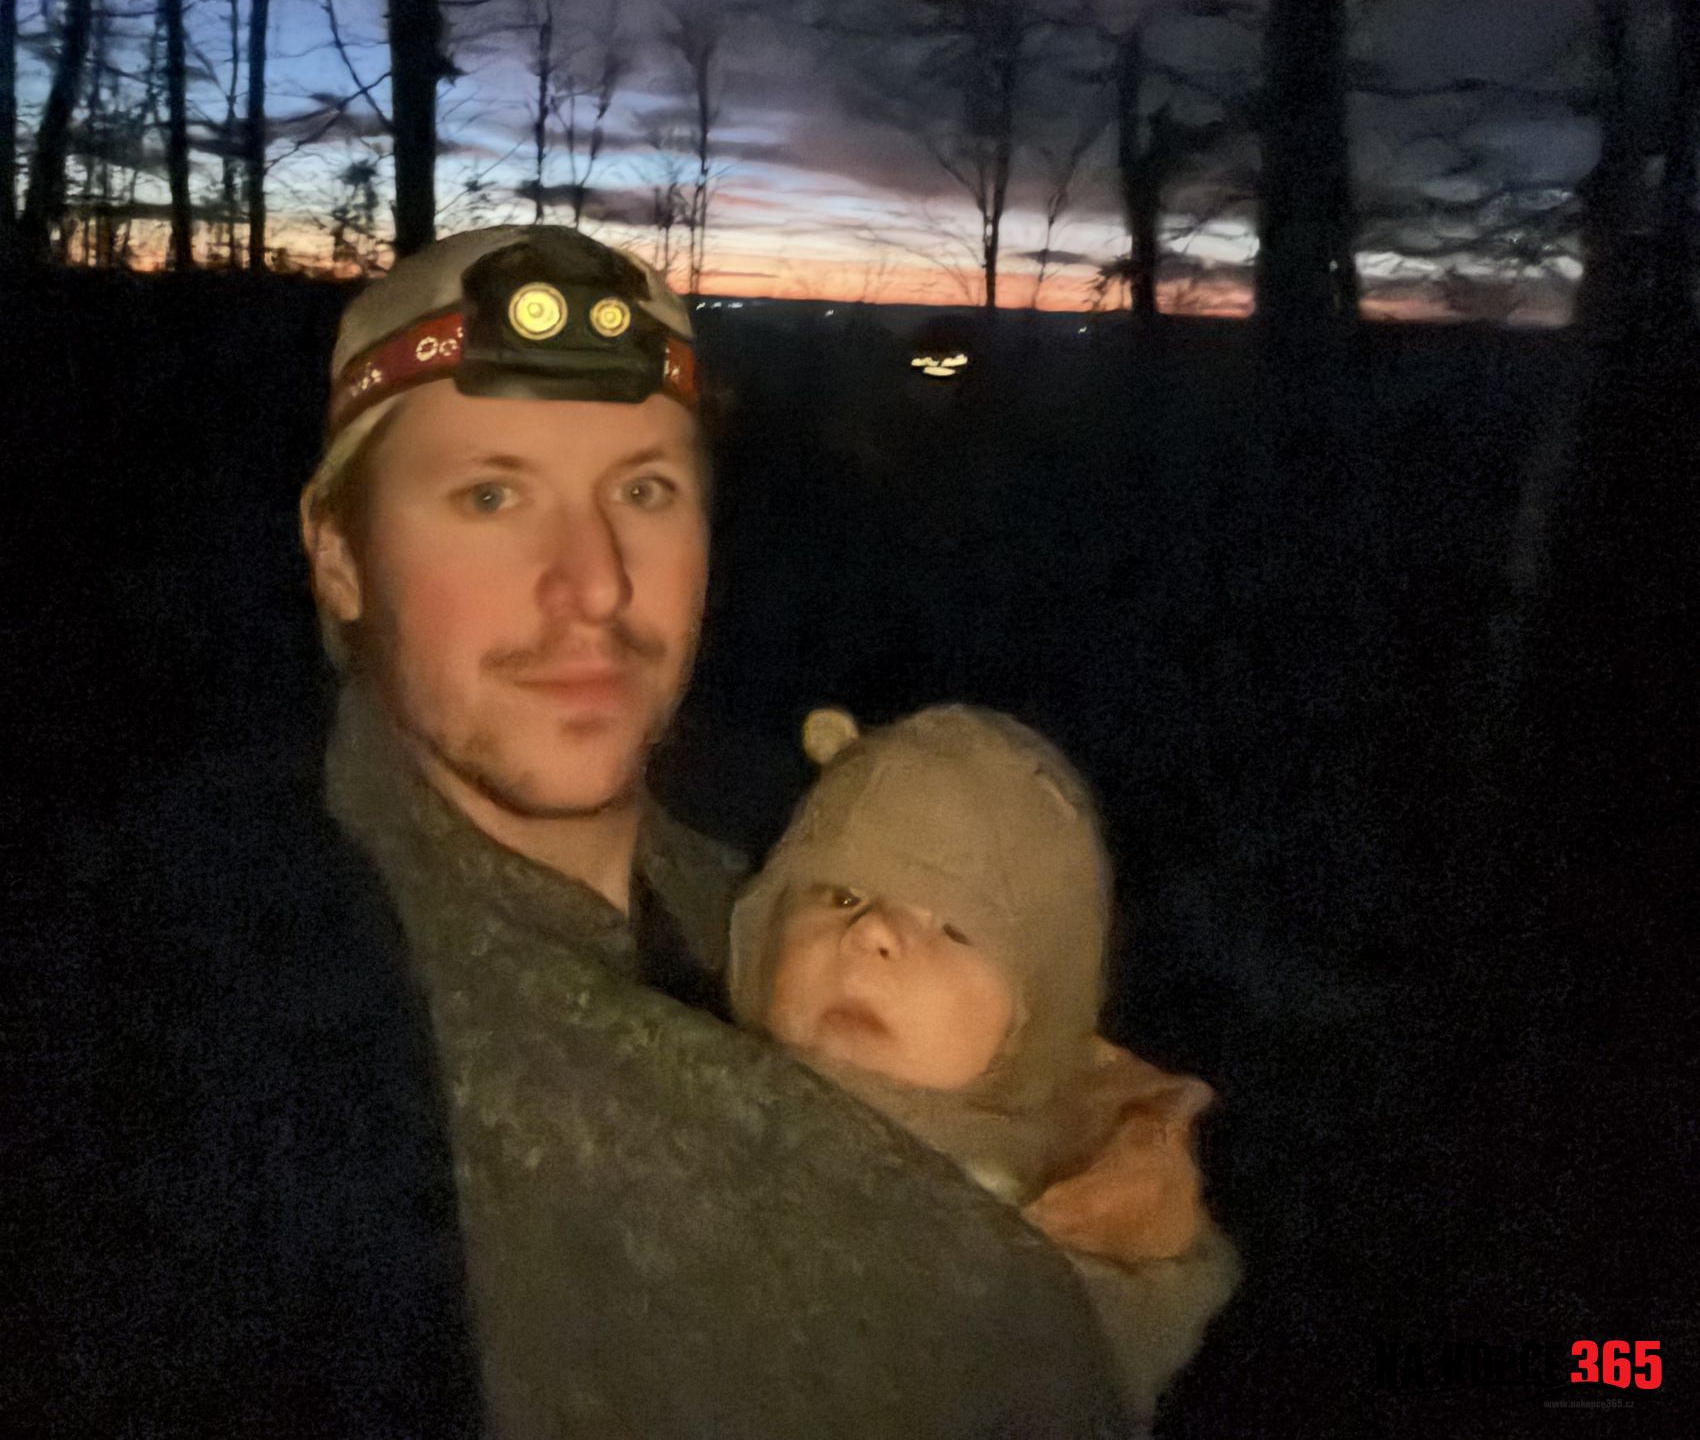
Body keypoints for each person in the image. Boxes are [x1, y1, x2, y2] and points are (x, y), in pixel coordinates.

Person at [296, 222, 1231, 1438]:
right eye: (491, 493)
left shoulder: (779, 861)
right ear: (340, 556)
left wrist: (1108, 1149)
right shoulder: (278, 1027)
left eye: (643, 489)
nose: (594, 582)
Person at [729, 700, 1241, 1429]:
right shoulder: (657, 1080)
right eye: (841, 894)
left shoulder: (1065, 1227)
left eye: (954, 927)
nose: (872, 933)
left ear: (1031, 1021)